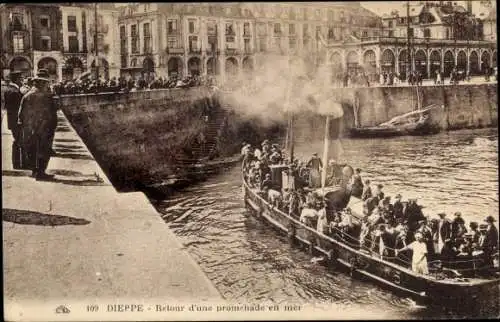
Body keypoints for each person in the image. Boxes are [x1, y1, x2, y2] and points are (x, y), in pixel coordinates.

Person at [17, 69, 57, 181]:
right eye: (46, 83)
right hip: (45, 128)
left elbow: (20, 114)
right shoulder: (47, 96)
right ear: (43, 83)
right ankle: (41, 172)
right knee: (44, 149)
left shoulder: (27, 95)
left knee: (32, 148)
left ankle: (34, 171)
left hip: (30, 128)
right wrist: (53, 126)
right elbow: (53, 113)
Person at [3, 71, 25, 169]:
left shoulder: (10, 90)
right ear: (16, 79)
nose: (22, 80)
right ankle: (18, 164)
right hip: (16, 120)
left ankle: (18, 163)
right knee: (19, 141)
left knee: (18, 140)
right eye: (21, 79)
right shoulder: (15, 92)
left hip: (12, 120)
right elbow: (18, 108)